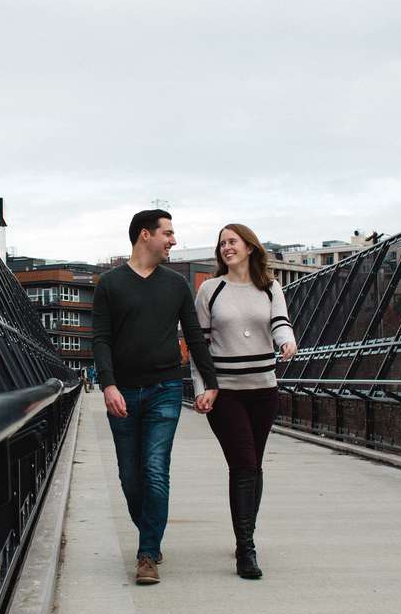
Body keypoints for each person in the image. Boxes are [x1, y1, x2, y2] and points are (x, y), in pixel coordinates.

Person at [93, 209, 220, 585]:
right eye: (168, 233)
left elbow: (194, 336)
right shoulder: (110, 284)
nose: (173, 240)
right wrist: (108, 384)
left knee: (153, 470)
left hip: (165, 388)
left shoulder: (176, 284)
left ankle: (147, 552)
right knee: (130, 477)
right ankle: (152, 532)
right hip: (124, 393)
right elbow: (100, 338)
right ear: (145, 235)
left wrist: (209, 382)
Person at [191, 223, 297, 579]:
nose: (226, 247)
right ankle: (246, 550)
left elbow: (280, 324)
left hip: (264, 388)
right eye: (222, 243)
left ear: (250, 247)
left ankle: (243, 536)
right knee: (244, 463)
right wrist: (201, 387)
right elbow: (199, 348)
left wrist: (287, 341)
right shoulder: (210, 290)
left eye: (232, 241)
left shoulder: (270, 287)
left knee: (255, 465)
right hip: (227, 392)